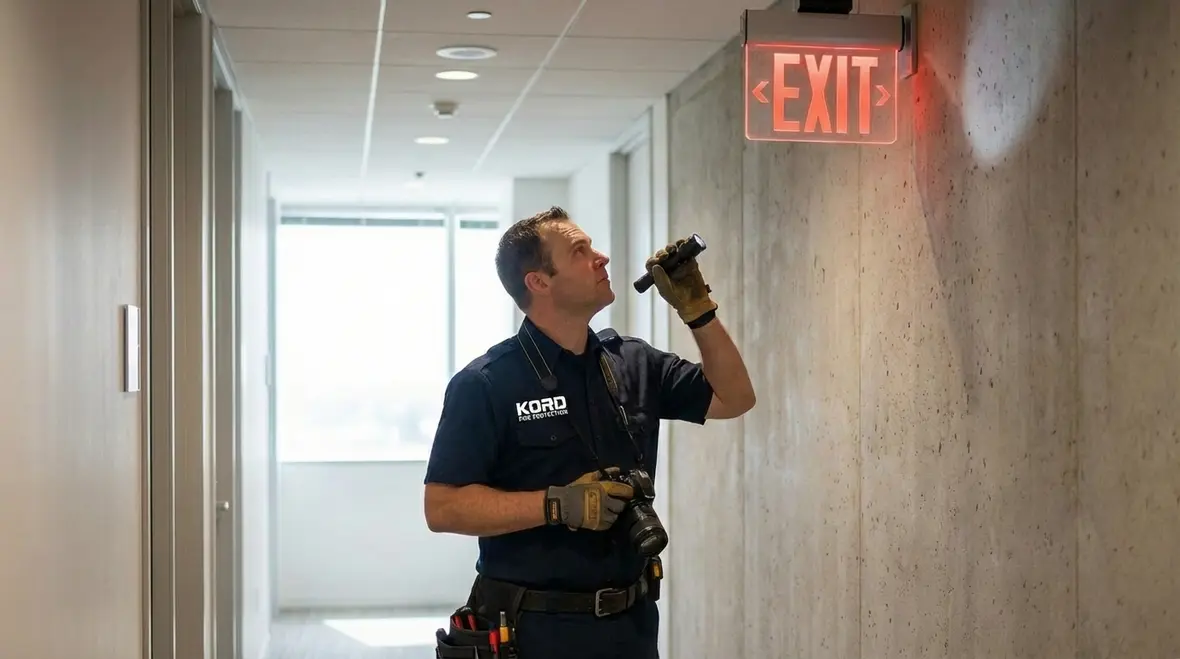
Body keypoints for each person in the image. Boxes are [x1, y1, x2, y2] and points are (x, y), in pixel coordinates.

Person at [423, 206, 755, 659]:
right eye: (580, 251)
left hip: (632, 626)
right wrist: (555, 505)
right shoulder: (486, 384)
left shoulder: (633, 363)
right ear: (538, 281)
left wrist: (699, 310)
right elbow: (442, 507)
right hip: (535, 631)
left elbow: (735, 397)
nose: (601, 258)